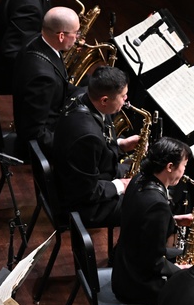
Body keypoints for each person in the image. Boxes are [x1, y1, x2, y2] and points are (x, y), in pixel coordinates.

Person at [51, 66, 138, 228]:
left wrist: (120, 145)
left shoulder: (84, 94)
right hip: (82, 205)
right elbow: (87, 192)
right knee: (143, 208)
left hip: (83, 175)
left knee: (142, 176)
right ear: (104, 100)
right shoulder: (87, 137)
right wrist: (120, 185)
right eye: (123, 96)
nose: (126, 99)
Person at [111, 137, 193, 305]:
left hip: (123, 269)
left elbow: (139, 220)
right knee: (192, 289)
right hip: (136, 284)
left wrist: (171, 219)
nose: (184, 171)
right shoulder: (157, 205)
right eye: (184, 165)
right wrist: (180, 271)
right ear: (170, 167)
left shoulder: (138, 179)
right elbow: (154, 263)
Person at [12, 6, 81, 160]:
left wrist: (86, 93)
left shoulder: (37, 40)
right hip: (38, 147)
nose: (78, 38)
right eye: (76, 33)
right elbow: (34, 133)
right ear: (61, 36)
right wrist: (71, 146)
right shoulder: (43, 78)